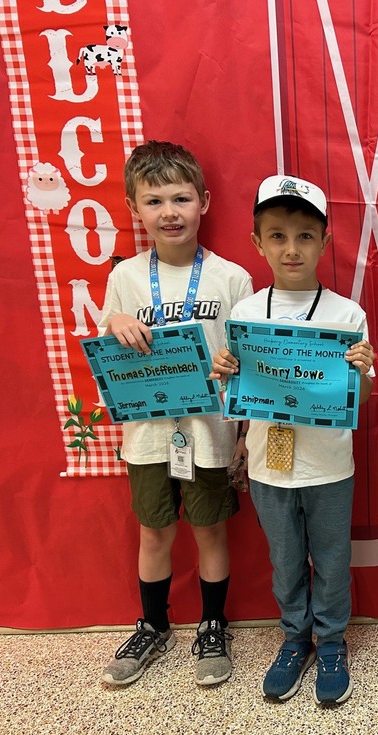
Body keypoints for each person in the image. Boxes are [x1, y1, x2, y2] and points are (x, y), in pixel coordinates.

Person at [212, 175, 375, 705]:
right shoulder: (245, 314)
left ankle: (331, 642)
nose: (291, 248)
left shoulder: (346, 315)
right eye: (277, 236)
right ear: (257, 242)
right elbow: (237, 397)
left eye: (305, 236)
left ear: (324, 242)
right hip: (268, 466)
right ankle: (294, 639)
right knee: (284, 561)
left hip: (329, 466)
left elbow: (361, 400)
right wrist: (226, 373)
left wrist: (363, 373)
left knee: (331, 559)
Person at [99, 141, 253, 687]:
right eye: (154, 201)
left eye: (181, 199)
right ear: (133, 208)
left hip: (208, 432)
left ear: (203, 202)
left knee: (210, 532)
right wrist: (115, 321)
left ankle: (213, 624)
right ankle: (154, 624)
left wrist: (243, 434)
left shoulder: (231, 278)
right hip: (146, 433)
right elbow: (107, 347)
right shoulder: (125, 278)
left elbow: (249, 364)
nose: (169, 212)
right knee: (154, 533)